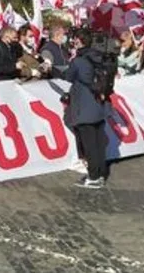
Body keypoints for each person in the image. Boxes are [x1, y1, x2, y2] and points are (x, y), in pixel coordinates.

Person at [64, 29, 109, 189]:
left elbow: (69, 77)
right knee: (98, 142)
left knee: (89, 145)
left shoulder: (79, 60)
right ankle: (100, 173)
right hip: (98, 104)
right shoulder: (98, 57)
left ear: (79, 41)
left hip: (83, 107)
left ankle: (94, 177)